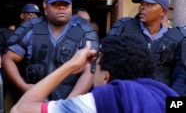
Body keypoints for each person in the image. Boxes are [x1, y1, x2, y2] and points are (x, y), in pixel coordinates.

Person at [10, 34, 179, 113]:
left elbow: (20, 109)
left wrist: (71, 64)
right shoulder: (165, 95)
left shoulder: (102, 100)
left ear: (106, 77)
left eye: (95, 68)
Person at [2, 0, 100, 102]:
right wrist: (23, 86)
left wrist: (69, 102)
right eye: (56, 4)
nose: (61, 8)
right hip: (34, 102)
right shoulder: (31, 28)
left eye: (66, 5)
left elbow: (90, 70)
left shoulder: (83, 32)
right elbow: (8, 59)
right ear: (46, 8)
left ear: (71, 7)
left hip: (69, 101)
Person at [107, 0, 186, 96]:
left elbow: (181, 76)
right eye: (141, 4)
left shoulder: (176, 38)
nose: (142, 7)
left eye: (149, 4)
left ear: (163, 11)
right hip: (126, 97)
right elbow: (107, 63)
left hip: (159, 101)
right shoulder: (124, 28)